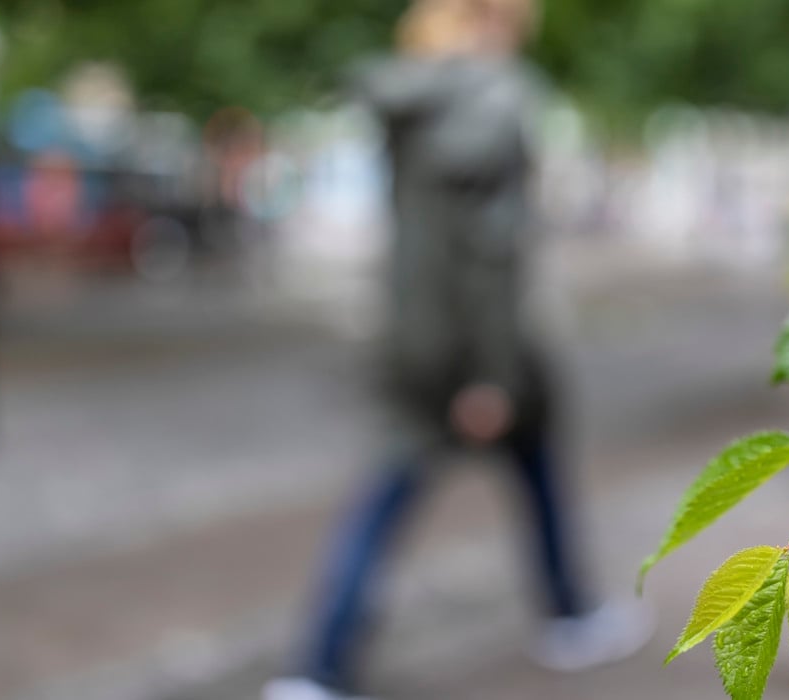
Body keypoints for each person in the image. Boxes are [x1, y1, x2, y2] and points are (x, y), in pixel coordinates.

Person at [263, 2, 653, 699]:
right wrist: (494, 376)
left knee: (406, 497)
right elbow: (489, 257)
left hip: (411, 339)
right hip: (480, 352)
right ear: (494, 24)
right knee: (500, 479)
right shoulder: (497, 102)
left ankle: (318, 670)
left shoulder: (406, 101)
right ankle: (568, 615)